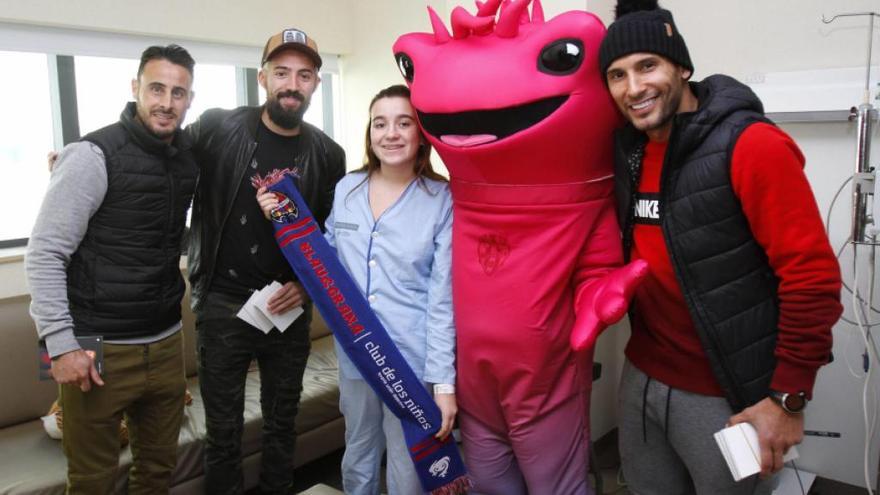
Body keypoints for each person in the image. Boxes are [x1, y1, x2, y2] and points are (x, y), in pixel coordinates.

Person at [598, 1, 843, 494]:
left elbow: (812, 278)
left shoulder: (752, 145)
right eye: (617, 74)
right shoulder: (628, 149)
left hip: (726, 392)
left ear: (682, 66)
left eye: (648, 66)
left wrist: (788, 398)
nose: (634, 88)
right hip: (642, 374)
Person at [259, 83, 456, 494]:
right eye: (380, 123)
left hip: (410, 361)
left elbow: (442, 301)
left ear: (421, 133)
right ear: (370, 133)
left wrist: (444, 385)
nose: (391, 133)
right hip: (355, 353)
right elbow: (325, 257)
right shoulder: (347, 188)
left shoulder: (442, 199)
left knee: (406, 467)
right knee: (359, 452)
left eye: (404, 123)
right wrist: (283, 214)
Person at [26, 44, 197, 494]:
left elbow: (158, 237)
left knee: (157, 475)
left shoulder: (184, 160)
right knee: (90, 483)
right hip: (91, 345)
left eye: (178, 92)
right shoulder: (90, 154)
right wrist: (59, 348)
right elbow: (43, 253)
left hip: (165, 344)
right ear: (135, 88)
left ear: (189, 99)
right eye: (156, 88)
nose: (166, 101)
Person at [186, 27, 345, 494]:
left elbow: (333, 235)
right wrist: (86, 158)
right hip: (222, 302)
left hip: (289, 304)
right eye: (281, 73)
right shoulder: (218, 129)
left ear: (316, 83)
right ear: (263, 78)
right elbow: (161, 154)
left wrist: (308, 284)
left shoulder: (328, 154)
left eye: (304, 75)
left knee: (281, 424)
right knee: (223, 434)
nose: (291, 84)